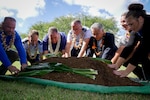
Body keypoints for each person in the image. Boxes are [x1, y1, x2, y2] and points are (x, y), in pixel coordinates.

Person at [108, 3, 150, 81]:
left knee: (142, 53)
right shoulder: (135, 29)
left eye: (131, 24)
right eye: (128, 25)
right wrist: (116, 65)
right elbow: (129, 46)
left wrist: (126, 71)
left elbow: (143, 49)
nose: (130, 27)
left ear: (140, 19)